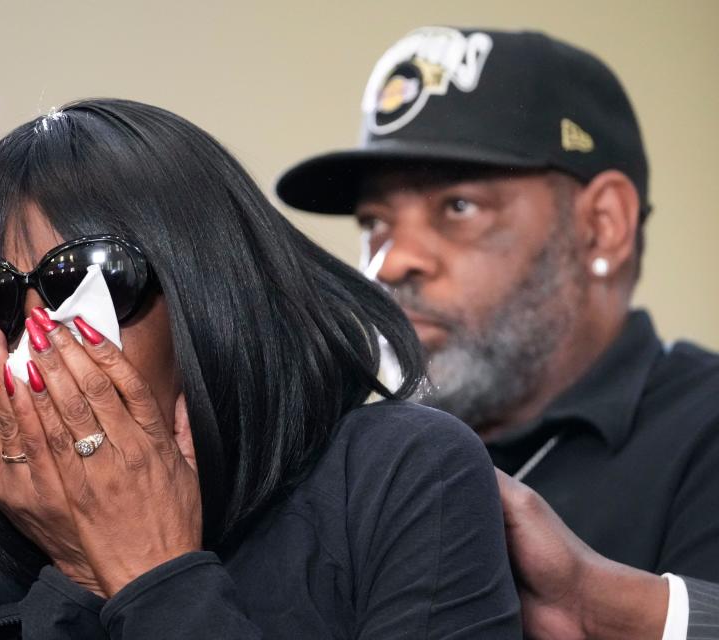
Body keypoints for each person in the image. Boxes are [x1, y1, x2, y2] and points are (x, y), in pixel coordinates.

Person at [0, 99, 522, 638]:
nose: (36, 344)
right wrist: (77, 574)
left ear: (207, 290)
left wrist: (155, 575)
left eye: (85, 281)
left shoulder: (403, 472)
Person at [276, 27, 719, 640]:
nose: (390, 261)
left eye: (458, 207)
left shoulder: (705, 428)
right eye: (375, 222)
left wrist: (610, 608)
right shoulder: (333, 450)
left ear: (602, 226)